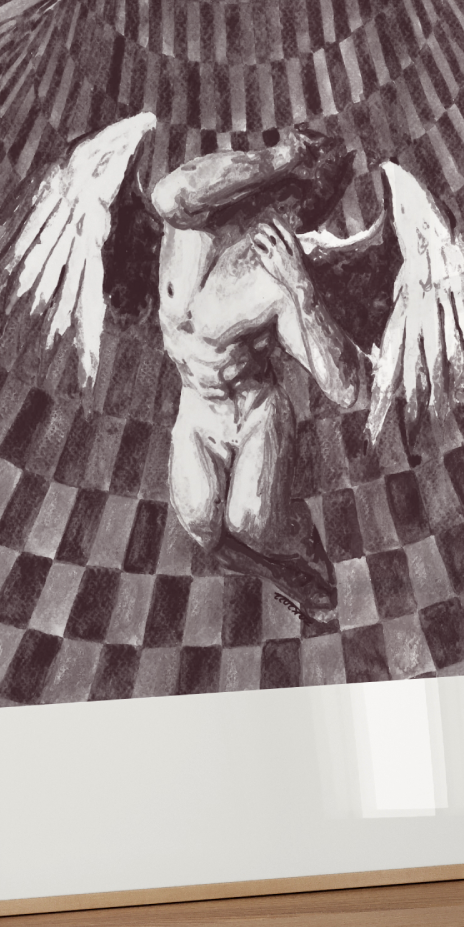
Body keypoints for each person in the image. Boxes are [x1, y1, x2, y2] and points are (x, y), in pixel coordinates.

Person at [149, 129, 361, 628]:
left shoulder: (277, 271)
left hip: (253, 413)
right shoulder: (188, 220)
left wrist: (304, 295)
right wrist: (282, 156)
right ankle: (282, 582)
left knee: (252, 518)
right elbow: (177, 190)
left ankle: (304, 553)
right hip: (198, 414)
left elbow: (347, 390)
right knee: (200, 522)